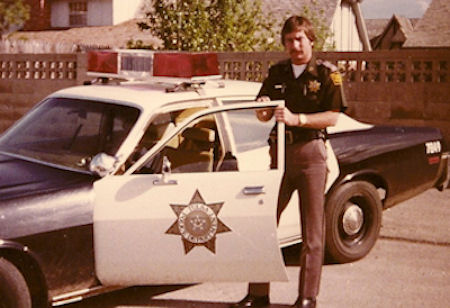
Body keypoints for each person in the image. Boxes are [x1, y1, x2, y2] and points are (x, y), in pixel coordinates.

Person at [230, 16, 347, 308]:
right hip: (278, 155)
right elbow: (262, 110)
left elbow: (333, 116)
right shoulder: (277, 72)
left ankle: (307, 297)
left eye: (299, 39)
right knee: (264, 222)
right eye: (289, 40)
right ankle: (258, 294)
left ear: (311, 40)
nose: (294, 45)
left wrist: (299, 119)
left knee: (312, 232)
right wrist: (262, 111)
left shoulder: (326, 74)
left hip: (311, 154)